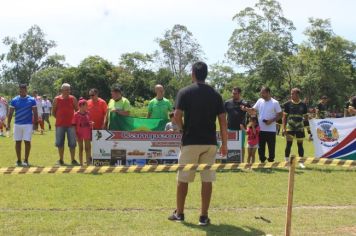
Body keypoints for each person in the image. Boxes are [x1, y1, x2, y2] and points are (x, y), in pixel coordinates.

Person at [168, 61, 228, 226]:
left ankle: (179, 213)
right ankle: (203, 216)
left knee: (183, 179)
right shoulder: (216, 95)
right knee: (207, 180)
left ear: (193, 73)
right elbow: (223, 121)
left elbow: (177, 115)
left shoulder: (184, 92)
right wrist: (224, 143)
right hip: (209, 143)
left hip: (190, 142)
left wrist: (182, 129)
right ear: (206, 74)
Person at [246, 87, 282, 163]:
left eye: (263, 93)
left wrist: (271, 121)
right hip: (260, 129)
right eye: (261, 93)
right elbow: (253, 110)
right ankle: (262, 160)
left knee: (271, 147)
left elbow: (280, 115)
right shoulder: (260, 101)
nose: (261, 94)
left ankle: (271, 160)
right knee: (261, 148)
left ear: (268, 93)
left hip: (271, 130)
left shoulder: (275, 102)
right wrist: (246, 109)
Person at [6, 84, 38, 166]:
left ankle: (26, 160)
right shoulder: (14, 100)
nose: (21, 92)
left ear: (26, 90)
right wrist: (8, 123)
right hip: (17, 124)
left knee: (27, 142)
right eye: (20, 90)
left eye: (23, 90)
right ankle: (19, 160)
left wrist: (36, 124)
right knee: (18, 142)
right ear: (19, 90)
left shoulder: (31, 100)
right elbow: (10, 113)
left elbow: (35, 112)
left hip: (28, 124)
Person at [52, 83, 79, 165]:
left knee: (72, 143)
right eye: (66, 90)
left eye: (69, 89)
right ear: (62, 90)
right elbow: (53, 112)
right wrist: (60, 118)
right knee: (60, 143)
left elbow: (77, 110)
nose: (68, 91)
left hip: (71, 125)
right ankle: (61, 160)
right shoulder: (57, 99)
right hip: (60, 124)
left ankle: (73, 160)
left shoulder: (73, 99)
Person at [282, 88, 308, 168]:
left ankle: (301, 162)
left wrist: (309, 130)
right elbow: (284, 117)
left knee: (300, 145)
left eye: (292, 94)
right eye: (291, 94)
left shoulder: (303, 105)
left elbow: (306, 118)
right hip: (290, 127)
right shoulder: (287, 104)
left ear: (297, 94)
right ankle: (287, 162)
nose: (291, 95)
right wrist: (283, 128)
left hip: (300, 127)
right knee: (288, 144)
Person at [224, 87, 250, 162]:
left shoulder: (245, 103)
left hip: (241, 129)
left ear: (239, 94)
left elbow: (253, 113)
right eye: (232, 93)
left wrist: (246, 109)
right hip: (229, 128)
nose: (233, 95)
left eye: (235, 93)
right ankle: (229, 161)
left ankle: (242, 162)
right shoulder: (227, 103)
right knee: (229, 145)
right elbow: (223, 115)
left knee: (241, 146)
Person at [73, 98, 93, 166]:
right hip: (79, 133)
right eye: (86, 105)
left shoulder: (88, 113)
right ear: (81, 106)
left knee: (87, 148)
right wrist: (75, 134)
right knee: (80, 148)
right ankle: (81, 163)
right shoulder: (76, 114)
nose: (87, 107)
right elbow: (73, 125)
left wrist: (91, 124)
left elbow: (89, 122)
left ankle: (88, 162)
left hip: (87, 133)